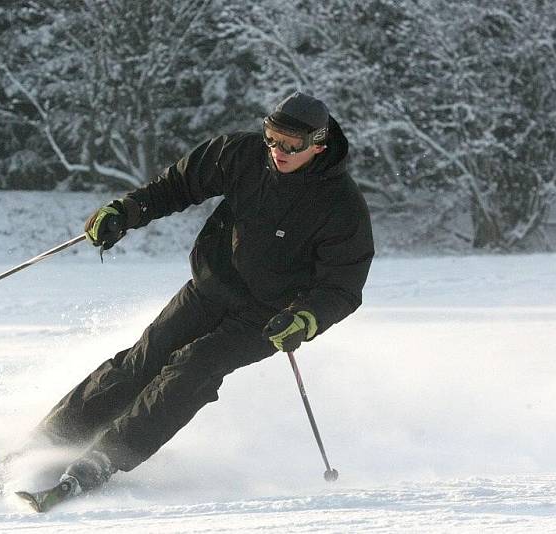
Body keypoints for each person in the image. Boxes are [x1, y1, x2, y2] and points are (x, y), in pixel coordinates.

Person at [37, 91, 374, 496]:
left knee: (192, 368)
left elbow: (342, 286)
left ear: (317, 146)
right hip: (211, 287)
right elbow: (176, 185)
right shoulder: (240, 154)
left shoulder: (341, 205)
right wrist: (126, 211)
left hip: (267, 317)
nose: (277, 151)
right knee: (142, 361)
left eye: (291, 145)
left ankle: (108, 455)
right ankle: (48, 441)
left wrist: (306, 318)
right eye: (271, 137)